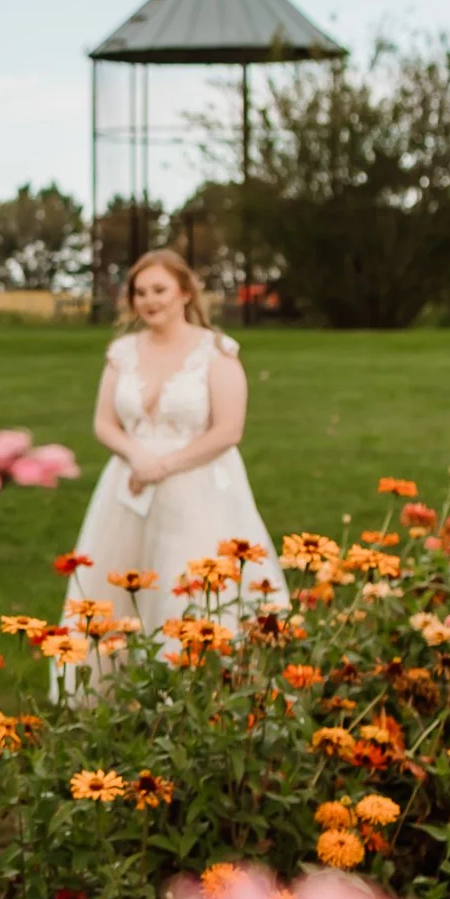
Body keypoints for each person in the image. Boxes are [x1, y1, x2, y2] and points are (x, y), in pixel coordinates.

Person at [56, 249, 288, 683]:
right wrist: (136, 456)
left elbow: (228, 430)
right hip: (127, 486)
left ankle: (195, 687)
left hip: (199, 486)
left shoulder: (216, 351)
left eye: (159, 290)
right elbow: (104, 423)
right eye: (140, 292)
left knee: (188, 585)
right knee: (119, 586)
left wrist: (164, 466)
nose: (150, 300)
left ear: (184, 292)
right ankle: (114, 688)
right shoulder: (122, 352)